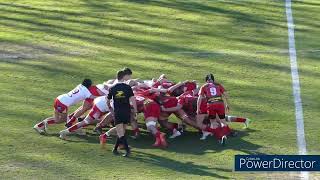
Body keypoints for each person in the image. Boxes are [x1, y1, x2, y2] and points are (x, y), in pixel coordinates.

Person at [100, 70, 137, 157]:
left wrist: (110, 108)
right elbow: (133, 100)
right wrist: (135, 110)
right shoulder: (128, 87)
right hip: (126, 111)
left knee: (120, 132)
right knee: (122, 131)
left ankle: (127, 151)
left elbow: (107, 100)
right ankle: (115, 149)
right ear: (124, 77)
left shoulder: (112, 88)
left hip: (118, 112)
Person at [197, 74, 231, 145]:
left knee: (213, 122)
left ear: (206, 80)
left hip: (211, 105)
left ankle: (220, 137)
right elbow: (226, 94)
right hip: (220, 105)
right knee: (223, 121)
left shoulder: (204, 86)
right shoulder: (218, 85)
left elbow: (199, 98)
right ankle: (224, 134)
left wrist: (198, 108)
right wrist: (227, 104)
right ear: (213, 80)